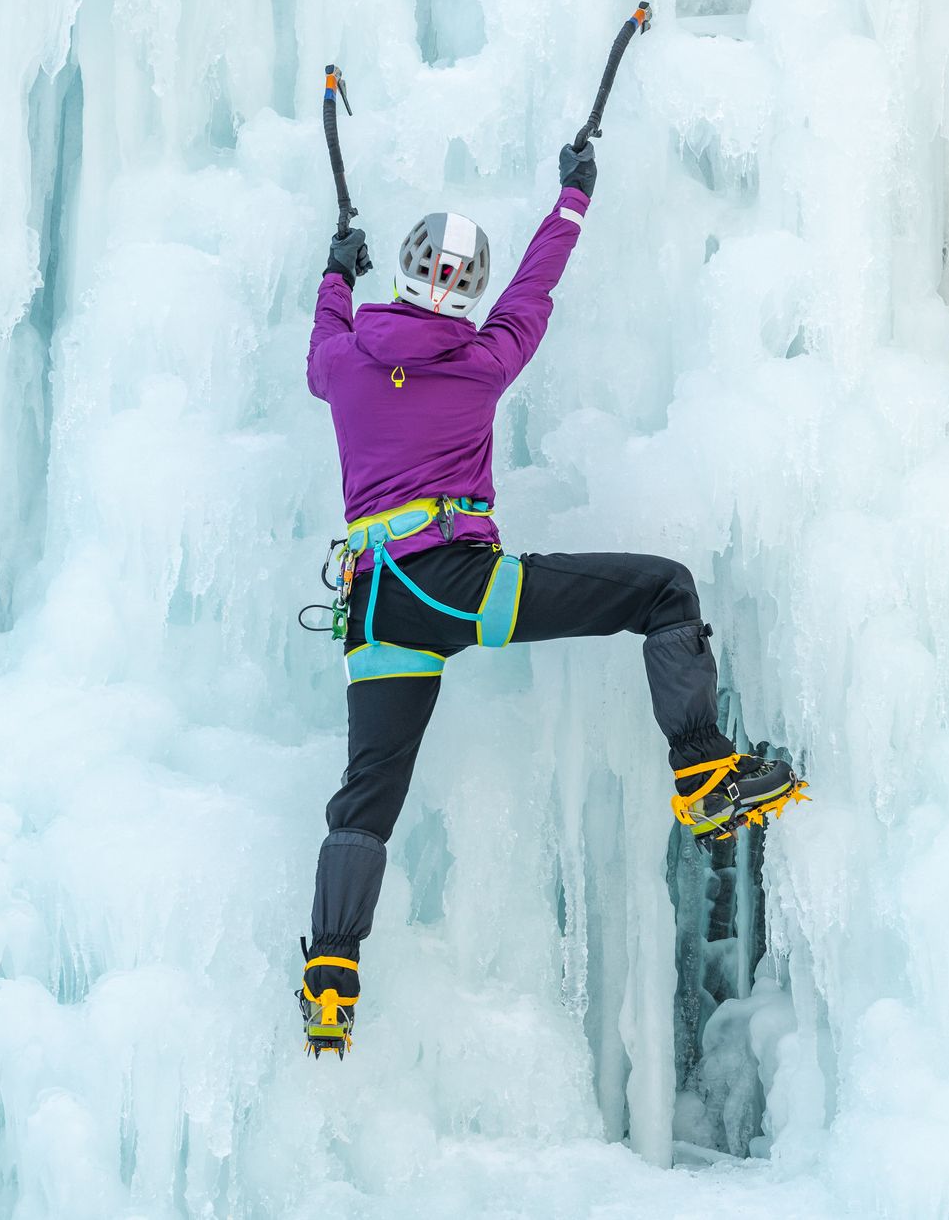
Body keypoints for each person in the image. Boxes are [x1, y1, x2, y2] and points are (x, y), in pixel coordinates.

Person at [296, 142, 802, 1058]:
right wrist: (573, 196)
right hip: (457, 583)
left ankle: (331, 973)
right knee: (662, 591)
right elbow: (536, 286)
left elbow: (323, 335)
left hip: (372, 607)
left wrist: (337, 270)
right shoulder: (484, 361)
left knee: (365, 801)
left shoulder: (344, 362)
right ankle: (702, 771)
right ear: (466, 289)